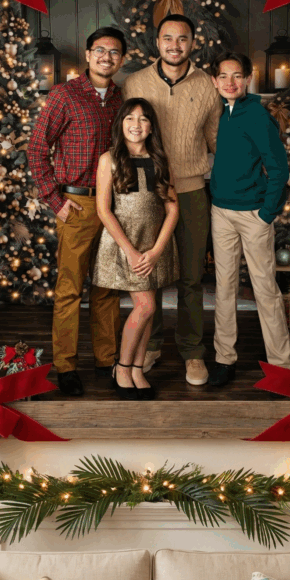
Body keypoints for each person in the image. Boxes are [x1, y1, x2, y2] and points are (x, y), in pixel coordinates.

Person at [29, 27, 127, 397]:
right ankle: (66, 365)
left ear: (121, 59)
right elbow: (37, 149)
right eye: (100, 50)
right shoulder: (65, 95)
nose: (106, 57)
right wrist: (55, 200)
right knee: (70, 288)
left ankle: (107, 360)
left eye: (114, 52)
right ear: (88, 55)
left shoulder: (122, 99)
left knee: (107, 288)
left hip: (114, 205)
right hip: (78, 204)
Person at [122, 15, 219, 386]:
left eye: (182, 39)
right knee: (152, 275)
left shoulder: (207, 86)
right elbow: (127, 133)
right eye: (167, 38)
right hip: (149, 191)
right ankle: (151, 344)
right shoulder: (136, 81)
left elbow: (216, 141)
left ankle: (193, 351)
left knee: (192, 277)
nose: (174, 45)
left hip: (193, 191)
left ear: (193, 42)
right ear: (157, 42)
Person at [206, 52, 290, 387]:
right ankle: (224, 360)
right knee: (224, 288)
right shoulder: (222, 113)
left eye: (238, 76)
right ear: (215, 82)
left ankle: (281, 368)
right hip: (221, 213)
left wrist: (267, 213)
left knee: (264, 289)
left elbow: (279, 169)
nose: (231, 82)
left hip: (253, 214)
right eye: (224, 76)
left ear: (247, 79)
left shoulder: (257, 115)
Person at [92, 99, 179, 400]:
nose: (136, 125)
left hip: (152, 244)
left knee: (149, 310)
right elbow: (104, 210)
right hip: (125, 243)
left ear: (151, 127)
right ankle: (122, 365)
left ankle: (138, 368)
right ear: (121, 124)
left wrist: (156, 250)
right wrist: (130, 251)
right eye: (130, 118)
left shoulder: (159, 160)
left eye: (143, 120)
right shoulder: (110, 160)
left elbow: (172, 209)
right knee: (146, 307)